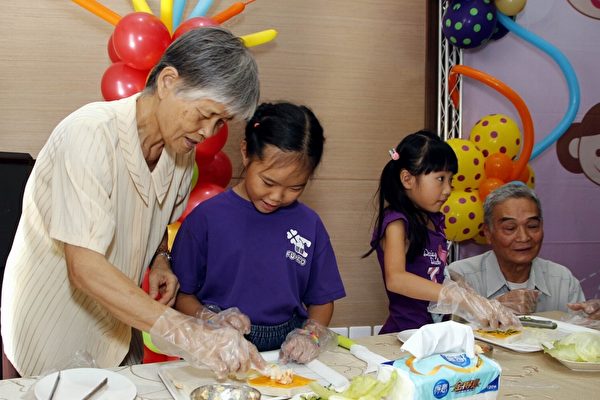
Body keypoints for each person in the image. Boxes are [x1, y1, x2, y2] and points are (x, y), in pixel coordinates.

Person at [1, 27, 266, 379]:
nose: (207, 132)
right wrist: (188, 332)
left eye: (220, 123)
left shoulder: (181, 155)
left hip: (117, 331)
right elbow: (85, 267)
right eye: (204, 114)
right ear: (168, 81)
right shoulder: (89, 134)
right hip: (50, 331)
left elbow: (155, 222)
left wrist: (161, 259)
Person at [171, 102, 345, 364]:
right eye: (268, 182)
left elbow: (321, 300)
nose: (276, 196)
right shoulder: (206, 218)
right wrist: (211, 319)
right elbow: (182, 296)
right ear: (245, 153)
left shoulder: (309, 224)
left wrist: (310, 336)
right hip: (217, 348)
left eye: (295, 187)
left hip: (285, 355)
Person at [364, 130, 520, 334]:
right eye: (440, 179)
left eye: (450, 180)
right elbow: (396, 279)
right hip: (405, 335)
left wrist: (461, 288)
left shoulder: (434, 221)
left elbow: (433, 273)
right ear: (407, 179)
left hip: (435, 333)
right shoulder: (396, 223)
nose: (448, 189)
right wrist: (455, 296)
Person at [448, 183, 585, 314]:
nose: (524, 237)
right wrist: (490, 308)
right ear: (488, 233)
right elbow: (448, 327)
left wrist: (592, 321)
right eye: (510, 228)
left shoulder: (562, 279)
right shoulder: (461, 276)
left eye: (532, 226)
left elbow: (580, 327)